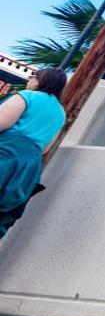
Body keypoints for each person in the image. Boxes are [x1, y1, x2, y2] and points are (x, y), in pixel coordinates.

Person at [0, 68, 67, 217]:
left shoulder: (27, 96)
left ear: (40, 80)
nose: (29, 80)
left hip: (6, 152)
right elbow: (45, 148)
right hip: (28, 167)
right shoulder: (61, 113)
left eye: (32, 77)